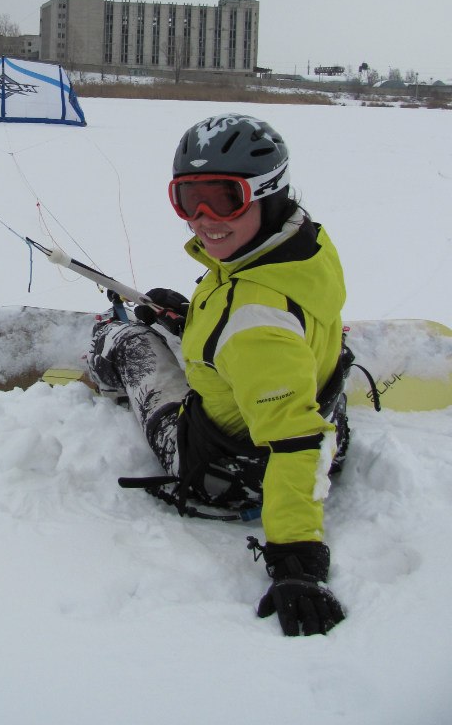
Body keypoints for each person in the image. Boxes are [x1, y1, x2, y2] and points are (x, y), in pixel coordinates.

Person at [87, 113, 349, 637]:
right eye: (189, 199)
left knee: (128, 340)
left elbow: (295, 441)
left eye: (224, 199)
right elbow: (254, 318)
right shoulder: (302, 245)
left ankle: (102, 352)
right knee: (188, 331)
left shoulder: (256, 329)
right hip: (322, 424)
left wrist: (296, 561)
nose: (203, 219)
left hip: (226, 471)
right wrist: (193, 319)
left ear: (267, 193)